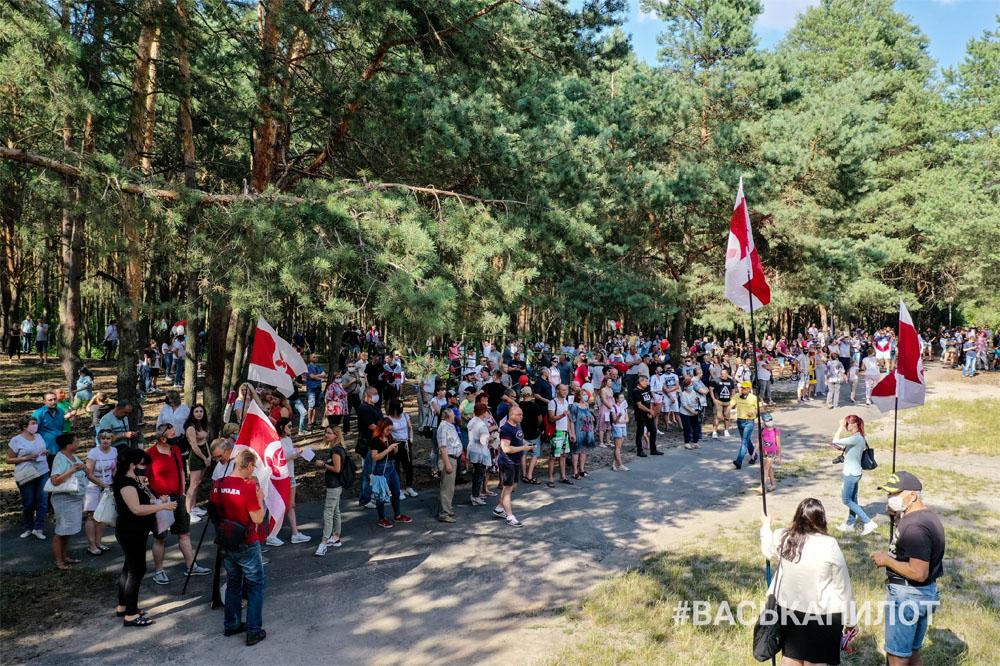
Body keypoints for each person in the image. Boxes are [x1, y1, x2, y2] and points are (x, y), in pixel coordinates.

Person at [760, 498, 856, 666]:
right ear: (822, 520)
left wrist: (766, 525)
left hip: (789, 611)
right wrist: (850, 621)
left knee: (790, 656)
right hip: (821, 615)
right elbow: (843, 587)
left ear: (797, 517)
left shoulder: (784, 537)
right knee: (816, 661)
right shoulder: (829, 545)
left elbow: (768, 549)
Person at [871, 472, 946, 666]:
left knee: (898, 657)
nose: (890, 498)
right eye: (889, 494)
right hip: (923, 594)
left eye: (895, 494)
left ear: (912, 495)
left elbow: (919, 573)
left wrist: (887, 560)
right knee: (912, 652)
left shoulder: (915, 527)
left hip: (908, 597)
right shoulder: (925, 516)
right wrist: (897, 517)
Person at [210, 449, 267, 645]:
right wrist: (260, 499)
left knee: (233, 583)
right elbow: (258, 518)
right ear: (248, 465)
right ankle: (254, 630)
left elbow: (214, 513)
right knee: (255, 585)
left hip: (226, 541)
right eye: (253, 467)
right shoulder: (248, 487)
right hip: (247, 542)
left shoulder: (219, 484)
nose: (254, 470)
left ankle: (231, 624)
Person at [147, 424, 211, 584]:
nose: (175, 436)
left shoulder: (175, 449)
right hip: (161, 502)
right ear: (162, 439)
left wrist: (182, 490)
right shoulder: (150, 455)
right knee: (160, 538)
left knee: (184, 533)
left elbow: (181, 470)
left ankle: (191, 566)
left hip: (178, 498)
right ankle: (159, 571)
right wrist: (154, 497)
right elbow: (141, 480)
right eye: (172, 434)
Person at [113, 447, 170, 627]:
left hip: (138, 531)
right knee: (137, 570)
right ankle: (131, 614)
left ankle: (123, 605)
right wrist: (162, 507)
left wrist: (159, 501)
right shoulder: (126, 483)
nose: (145, 468)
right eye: (142, 465)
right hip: (130, 531)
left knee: (129, 568)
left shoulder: (135, 480)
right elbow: (136, 508)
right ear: (132, 465)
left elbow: (146, 499)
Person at [830, 414, 878, 536]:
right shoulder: (858, 437)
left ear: (855, 424)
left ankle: (868, 522)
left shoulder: (856, 438)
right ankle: (850, 524)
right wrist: (839, 448)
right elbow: (849, 449)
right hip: (855, 472)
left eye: (847, 423)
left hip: (851, 474)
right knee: (853, 500)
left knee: (846, 500)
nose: (846, 426)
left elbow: (835, 440)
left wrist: (840, 427)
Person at [266, 418, 311, 546]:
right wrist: (295, 454)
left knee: (291, 504)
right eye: (289, 426)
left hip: (290, 475)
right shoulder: (276, 441)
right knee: (278, 504)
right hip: (280, 477)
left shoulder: (288, 439)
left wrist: (296, 452)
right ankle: (271, 534)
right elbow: (280, 457)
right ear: (282, 427)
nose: (291, 428)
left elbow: (288, 453)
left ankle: (295, 533)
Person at [7, 415, 49, 539]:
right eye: (32, 423)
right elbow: (9, 459)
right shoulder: (16, 440)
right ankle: (28, 527)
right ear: (25, 426)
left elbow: (43, 450)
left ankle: (39, 528)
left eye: (35, 423)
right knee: (29, 502)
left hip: (42, 471)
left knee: (43, 500)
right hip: (26, 473)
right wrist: (27, 458)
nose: (35, 426)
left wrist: (45, 452)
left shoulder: (39, 436)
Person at [49, 433, 87, 569]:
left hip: (74, 498)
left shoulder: (74, 457)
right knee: (61, 531)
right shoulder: (59, 458)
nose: (78, 442)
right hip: (63, 500)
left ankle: (64, 556)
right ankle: (58, 561)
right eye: (76, 441)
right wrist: (71, 470)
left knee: (68, 531)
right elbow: (55, 480)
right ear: (68, 445)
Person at [492, 406, 532, 528]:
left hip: (515, 461)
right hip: (507, 462)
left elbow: (519, 439)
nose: (521, 416)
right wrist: (523, 448)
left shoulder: (517, 425)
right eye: (519, 414)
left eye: (522, 414)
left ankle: (499, 508)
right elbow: (506, 448)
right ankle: (510, 517)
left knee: (511, 486)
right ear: (511, 415)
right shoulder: (506, 429)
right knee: (508, 489)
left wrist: (527, 444)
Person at [369, 418, 411, 528]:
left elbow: (393, 454)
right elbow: (375, 457)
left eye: (391, 430)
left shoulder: (390, 437)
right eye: (387, 430)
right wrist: (388, 449)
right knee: (381, 494)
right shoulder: (375, 440)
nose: (389, 432)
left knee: (396, 492)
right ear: (382, 428)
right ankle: (381, 518)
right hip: (381, 469)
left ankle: (397, 515)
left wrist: (395, 449)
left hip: (391, 467)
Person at [314, 427, 348, 556]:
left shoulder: (336, 450)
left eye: (329, 433)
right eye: (326, 432)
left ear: (336, 435)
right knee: (335, 511)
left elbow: (337, 469)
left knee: (328, 513)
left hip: (334, 485)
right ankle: (335, 537)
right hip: (336, 485)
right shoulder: (338, 448)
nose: (326, 435)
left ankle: (324, 542)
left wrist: (323, 465)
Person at [83, 431, 118, 555]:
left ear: (112, 439)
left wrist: (114, 481)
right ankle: (91, 545)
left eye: (108, 438)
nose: (105, 440)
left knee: (102, 515)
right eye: (103, 438)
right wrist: (103, 485)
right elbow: (89, 474)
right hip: (93, 486)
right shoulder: (94, 452)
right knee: (92, 516)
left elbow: (114, 468)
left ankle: (98, 542)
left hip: (108, 486)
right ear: (99, 439)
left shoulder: (114, 451)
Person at [183, 404, 211, 522]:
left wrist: (209, 456)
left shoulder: (202, 425)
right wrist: (204, 458)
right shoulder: (191, 427)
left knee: (198, 483)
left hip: (204, 453)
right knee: (193, 484)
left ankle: (193, 507)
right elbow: (194, 446)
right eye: (196, 411)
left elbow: (205, 441)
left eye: (201, 411)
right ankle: (188, 513)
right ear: (192, 413)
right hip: (196, 456)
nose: (199, 413)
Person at [436, 406, 464, 522]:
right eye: (453, 415)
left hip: (453, 458)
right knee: (446, 487)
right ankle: (444, 513)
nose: (455, 417)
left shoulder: (450, 425)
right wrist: (447, 464)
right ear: (448, 416)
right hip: (448, 459)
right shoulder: (443, 427)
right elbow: (442, 447)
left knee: (450, 487)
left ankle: (447, 508)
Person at [386, 399, 417, 498]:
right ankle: (397, 489)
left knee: (408, 466)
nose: (400, 411)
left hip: (406, 443)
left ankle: (409, 487)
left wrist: (411, 438)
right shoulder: (388, 419)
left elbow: (410, 427)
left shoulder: (405, 415)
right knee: (396, 467)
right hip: (395, 444)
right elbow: (386, 433)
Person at [546, 383, 574, 486]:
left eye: (566, 390)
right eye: (563, 390)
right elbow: (551, 418)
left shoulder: (566, 402)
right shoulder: (552, 402)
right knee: (553, 456)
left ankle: (563, 476)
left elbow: (567, 419)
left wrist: (570, 432)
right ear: (557, 391)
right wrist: (562, 415)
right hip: (556, 432)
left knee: (563, 455)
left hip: (564, 432)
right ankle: (550, 479)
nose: (565, 392)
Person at [464, 404, 492, 506]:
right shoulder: (482, 425)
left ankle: (476, 494)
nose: (487, 413)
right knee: (479, 475)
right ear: (483, 413)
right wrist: (490, 439)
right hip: (479, 452)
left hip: (472, 449)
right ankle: (475, 496)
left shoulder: (472, 421)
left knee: (477, 474)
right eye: (486, 411)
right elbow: (483, 441)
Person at [517, 387, 543, 484]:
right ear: (531, 394)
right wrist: (537, 425)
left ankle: (524, 474)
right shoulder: (535, 406)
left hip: (522, 432)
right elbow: (540, 419)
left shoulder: (519, 405)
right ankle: (529, 475)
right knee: (535, 454)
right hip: (533, 432)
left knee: (523, 454)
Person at [568, 387, 595, 478]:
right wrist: (572, 433)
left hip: (587, 431)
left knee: (584, 451)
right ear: (578, 396)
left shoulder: (586, 405)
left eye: (586, 394)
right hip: (578, 431)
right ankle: (575, 471)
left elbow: (589, 417)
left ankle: (582, 469)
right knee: (576, 451)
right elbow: (572, 421)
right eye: (583, 395)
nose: (585, 396)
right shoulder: (574, 406)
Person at [632, 374, 661, 457]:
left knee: (653, 430)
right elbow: (639, 405)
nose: (647, 383)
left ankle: (653, 449)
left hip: (648, 414)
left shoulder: (647, 389)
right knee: (640, 432)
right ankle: (639, 451)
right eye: (646, 381)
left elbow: (650, 401)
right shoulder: (636, 391)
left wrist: (650, 411)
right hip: (640, 415)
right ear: (640, 382)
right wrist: (649, 411)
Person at [32, 391, 66, 461]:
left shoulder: (61, 411)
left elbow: (61, 428)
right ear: (44, 402)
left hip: (60, 447)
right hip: (45, 450)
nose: (53, 402)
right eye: (50, 400)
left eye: (55, 399)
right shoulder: (38, 414)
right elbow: (32, 432)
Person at [732, 381, 758, 470]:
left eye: (744, 388)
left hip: (749, 422)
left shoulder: (753, 398)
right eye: (741, 387)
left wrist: (753, 411)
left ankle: (739, 461)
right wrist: (727, 410)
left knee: (744, 442)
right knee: (746, 441)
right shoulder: (737, 396)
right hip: (740, 421)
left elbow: (760, 409)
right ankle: (754, 455)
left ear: (749, 389)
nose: (742, 389)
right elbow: (731, 404)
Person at [755, 414, 781, 493]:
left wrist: (778, 456)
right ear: (763, 422)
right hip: (764, 453)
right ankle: (773, 485)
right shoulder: (762, 430)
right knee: (769, 469)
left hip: (772, 454)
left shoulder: (775, 431)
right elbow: (759, 441)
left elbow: (778, 445)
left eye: (770, 420)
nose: (769, 422)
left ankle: (762, 487)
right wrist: (754, 451)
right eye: (767, 420)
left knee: (765, 469)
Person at [709, 367, 735, 439]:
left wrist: (732, 398)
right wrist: (713, 399)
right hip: (718, 401)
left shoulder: (730, 381)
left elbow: (733, 390)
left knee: (727, 417)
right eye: (721, 373)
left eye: (724, 373)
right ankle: (714, 432)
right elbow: (711, 389)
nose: (722, 375)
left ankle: (726, 430)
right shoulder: (715, 380)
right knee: (717, 417)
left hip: (727, 402)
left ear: (727, 374)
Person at [678, 376, 702, 449]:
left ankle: (695, 442)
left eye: (692, 385)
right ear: (685, 387)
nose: (691, 387)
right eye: (689, 386)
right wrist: (693, 412)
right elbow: (685, 406)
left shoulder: (694, 392)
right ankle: (687, 443)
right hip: (685, 413)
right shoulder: (683, 394)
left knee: (696, 427)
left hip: (694, 412)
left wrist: (696, 410)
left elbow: (696, 402)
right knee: (687, 428)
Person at [305, 353, 327, 429]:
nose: (316, 358)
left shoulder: (318, 366)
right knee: (311, 405)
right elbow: (311, 376)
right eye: (314, 357)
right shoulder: (308, 367)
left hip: (318, 388)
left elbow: (324, 374)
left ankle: (313, 421)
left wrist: (316, 376)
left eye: (316, 357)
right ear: (310, 358)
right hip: (311, 388)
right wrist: (319, 376)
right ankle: (309, 423)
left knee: (316, 406)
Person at [610, 393, 629, 471]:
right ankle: (620, 465)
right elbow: (615, 421)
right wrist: (619, 416)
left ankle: (614, 464)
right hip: (617, 428)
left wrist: (622, 421)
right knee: (617, 447)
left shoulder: (624, 407)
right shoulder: (613, 407)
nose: (622, 399)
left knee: (619, 447)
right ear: (617, 399)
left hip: (623, 427)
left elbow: (627, 420)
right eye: (621, 397)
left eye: (623, 397)